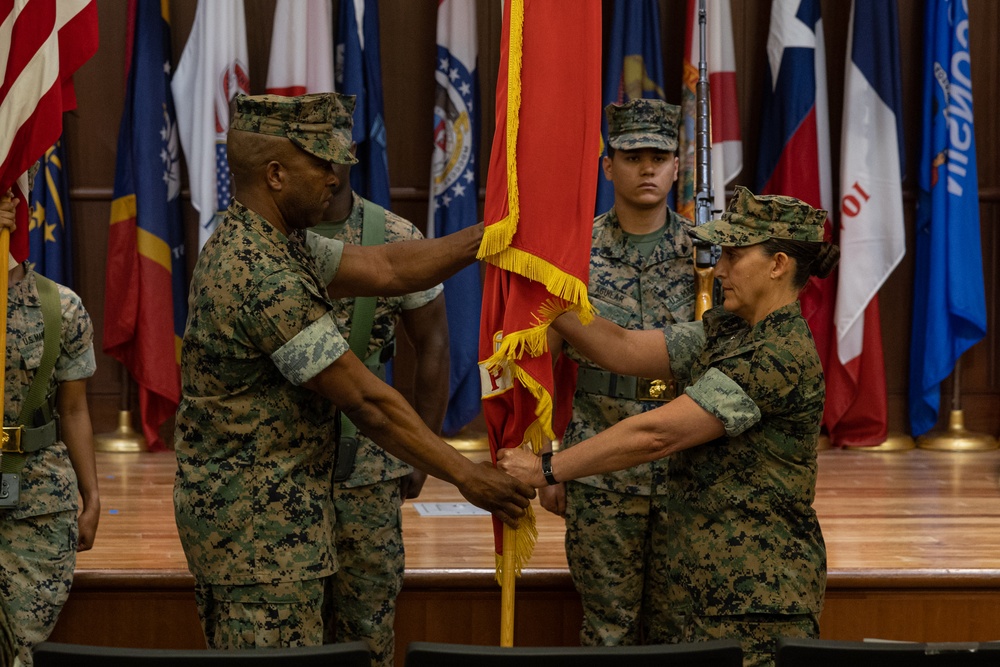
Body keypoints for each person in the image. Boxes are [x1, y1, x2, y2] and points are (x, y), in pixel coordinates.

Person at [173, 92, 533, 650]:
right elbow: (367, 402)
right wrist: (465, 475)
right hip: (254, 536)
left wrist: (496, 234)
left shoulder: (278, 243)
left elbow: (389, 267)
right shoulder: (256, 273)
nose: (335, 177)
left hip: (281, 519)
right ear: (274, 174)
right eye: (320, 163)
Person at [499, 186, 838, 667]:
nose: (719, 269)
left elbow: (656, 435)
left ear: (778, 264)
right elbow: (624, 348)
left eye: (735, 255)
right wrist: (545, 293)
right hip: (707, 589)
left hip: (758, 602)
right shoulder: (730, 333)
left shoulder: (777, 356)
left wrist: (546, 469)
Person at [546, 98, 695, 646]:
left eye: (660, 156)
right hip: (599, 463)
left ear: (679, 165)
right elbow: (539, 361)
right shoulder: (571, 254)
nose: (648, 168)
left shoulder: (709, 260)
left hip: (686, 467)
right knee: (607, 631)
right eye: (634, 156)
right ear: (608, 165)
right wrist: (550, 461)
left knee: (678, 635)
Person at [311, 99, 448, 667]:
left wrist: (425, 454)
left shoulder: (393, 233)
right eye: (309, 152)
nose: (324, 165)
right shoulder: (262, 238)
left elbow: (434, 344)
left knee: (368, 628)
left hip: (368, 469)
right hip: (281, 467)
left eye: (333, 151)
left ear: (352, 155)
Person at [0, 190, 100, 667]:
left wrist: (92, 495)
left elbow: (75, 411)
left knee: (21, 650)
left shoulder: (62, 307)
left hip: (37, 502)